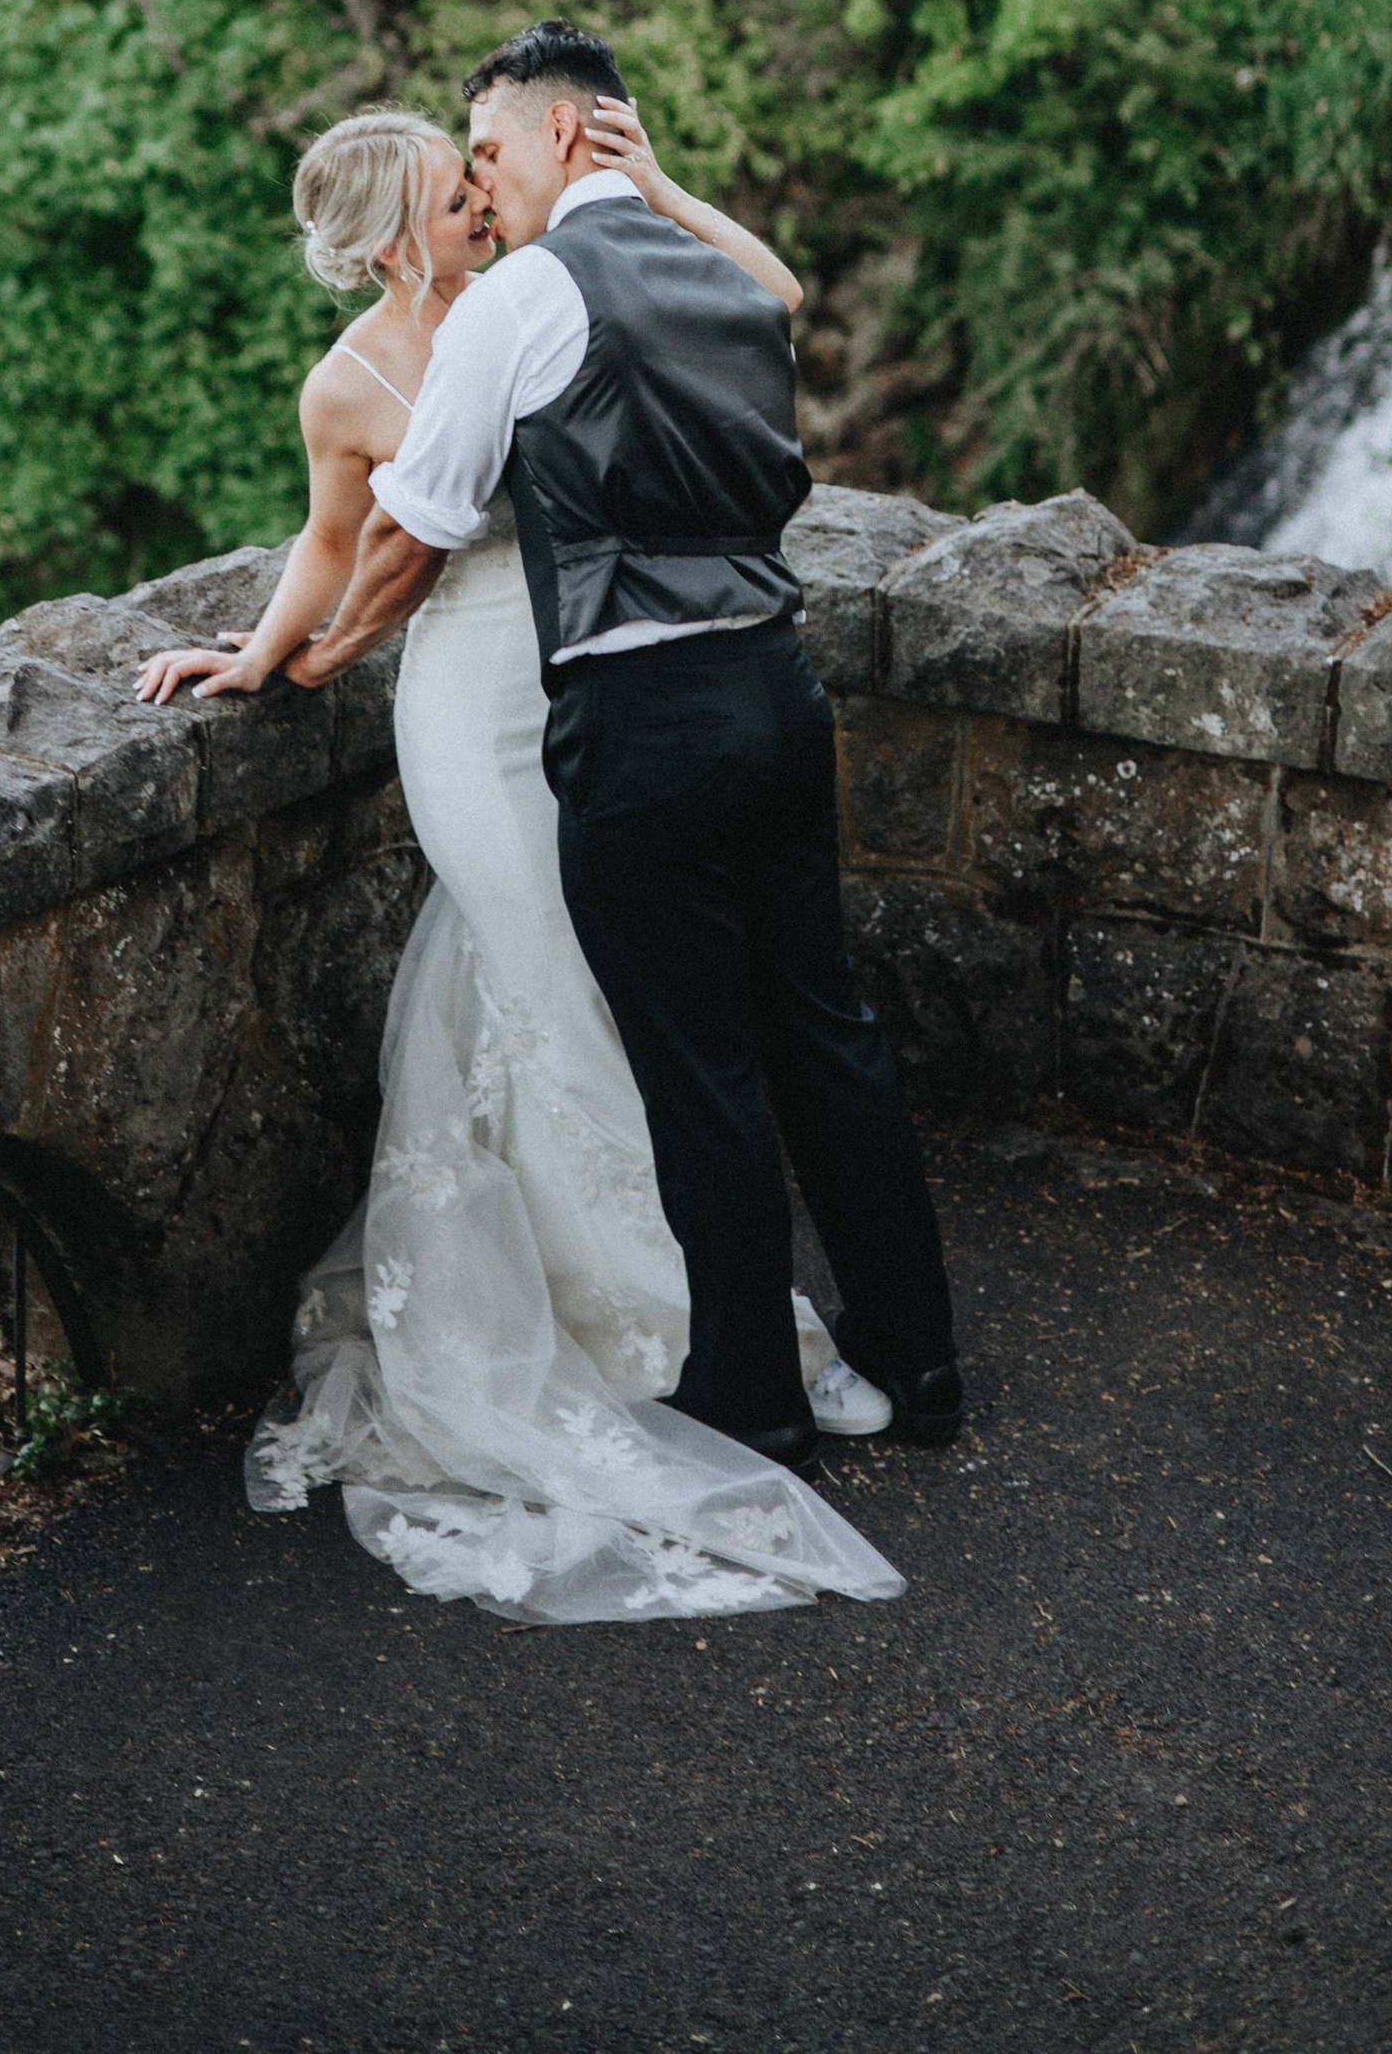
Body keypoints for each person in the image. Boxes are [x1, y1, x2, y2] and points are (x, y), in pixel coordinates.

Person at [133, 89, 911, 1628]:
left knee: (606, 1001)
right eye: (453, 194)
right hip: (461, 721)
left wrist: (655, 185)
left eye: (477, 176)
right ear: (389, 242)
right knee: (555, 994)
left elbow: (758, 308)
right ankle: (670, 1333)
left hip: (576, 704)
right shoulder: (346, 381)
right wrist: (271, 656)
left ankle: (670, 1316)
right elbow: (342, 539)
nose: (481, 203)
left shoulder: (538, 298)